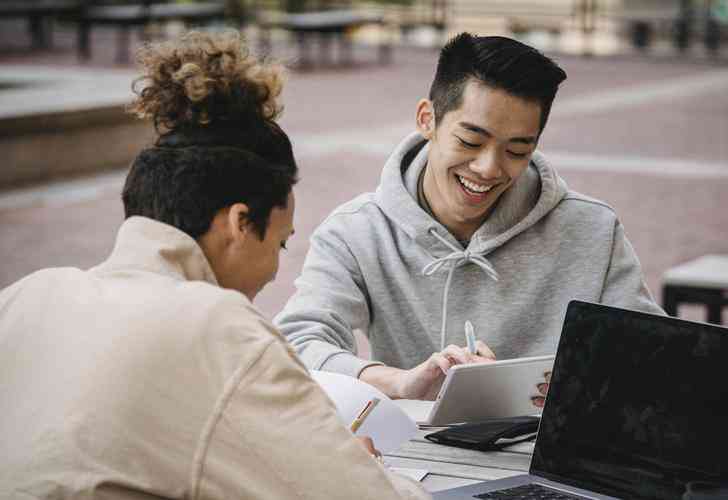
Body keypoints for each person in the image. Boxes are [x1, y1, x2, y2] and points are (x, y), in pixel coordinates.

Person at [0, 31, 428, 500]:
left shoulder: (27, 297)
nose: (271, 272)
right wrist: (363, 468)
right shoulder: (218, 329)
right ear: (240, 222)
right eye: (281, 244)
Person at [275, 33, 664, 402]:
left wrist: (576, 385)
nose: (488, 168)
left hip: (548, 459)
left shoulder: (592, 229)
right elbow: (296, 343)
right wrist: (400, 382)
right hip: (412, 460)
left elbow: (654, 357)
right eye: (471, 141)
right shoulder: (358, 231)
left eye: (516, 150)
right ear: (427, 119)